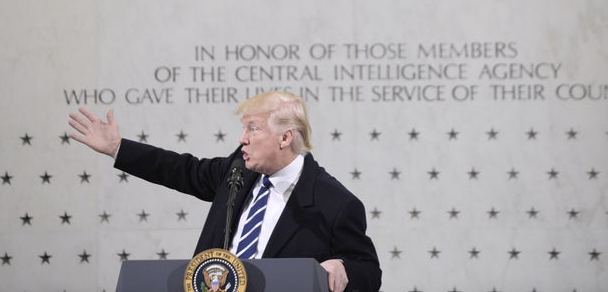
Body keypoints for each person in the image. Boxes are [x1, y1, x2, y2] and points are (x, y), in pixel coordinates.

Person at [68, 91, 382, 292]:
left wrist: (343, 267)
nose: (242, 138)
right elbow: (182, 169)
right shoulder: (237, 172)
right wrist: (117, 148)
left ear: (285, 138)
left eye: (253, 128)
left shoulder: (335, 203)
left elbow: (368, 271)